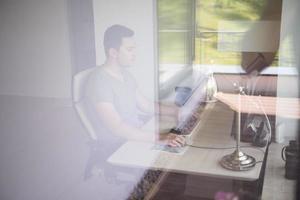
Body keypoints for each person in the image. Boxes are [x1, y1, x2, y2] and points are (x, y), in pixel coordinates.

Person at [83, 24, 185, 172]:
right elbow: (118, 128)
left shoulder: (124, 75)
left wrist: (175, 110)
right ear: (113, 52)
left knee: (182, 147)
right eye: (130, 49)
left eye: (134, 48)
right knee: (175, 166)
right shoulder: (99, 81)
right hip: (121, 144)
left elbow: (147, 105)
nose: (135, 54)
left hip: (137, 134)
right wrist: (162, 137)